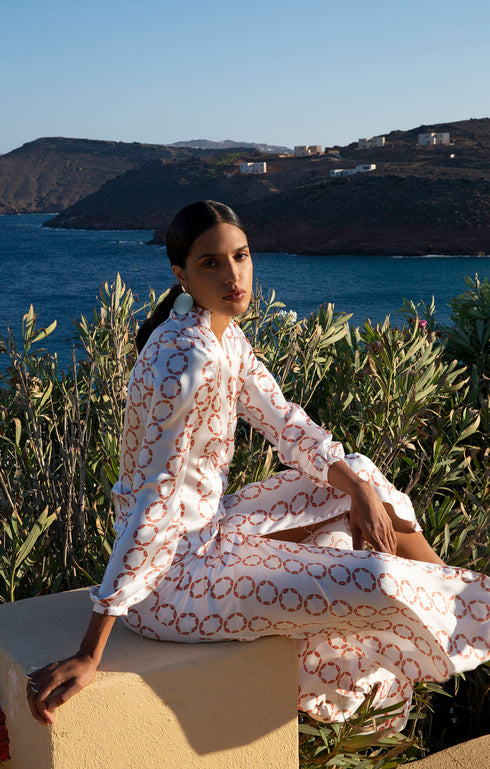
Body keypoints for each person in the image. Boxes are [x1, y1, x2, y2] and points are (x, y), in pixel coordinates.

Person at [26, 200, 490, 731]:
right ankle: (458, 630)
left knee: (359, 475)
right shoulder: (184, 362)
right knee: (382, 581)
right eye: (211, 263)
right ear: (180, 273)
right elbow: (155, 503)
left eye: (240, 257)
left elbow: (286, 424)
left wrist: (359, 491)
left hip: (213, 531)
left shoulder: (220, 331)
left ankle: (455, 601)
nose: (233, 275)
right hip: (173, 588)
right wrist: (92, 649)